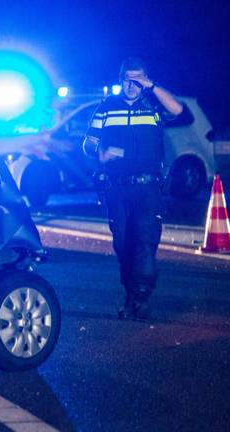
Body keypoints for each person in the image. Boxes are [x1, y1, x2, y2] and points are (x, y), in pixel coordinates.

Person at [82, 57, 183, 320]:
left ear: (145, 81)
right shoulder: (106, 108)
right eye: (128, 79)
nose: (131, 85)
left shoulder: (153, 107)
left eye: (137, 80)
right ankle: (130, 294)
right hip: (117, 189)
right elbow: (88, 143)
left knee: (145, 242)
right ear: (120, 80)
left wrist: (152, 86)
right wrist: (99, 152)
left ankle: (142, 297)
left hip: (149, 188)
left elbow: (178, 110)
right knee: (123, 243)